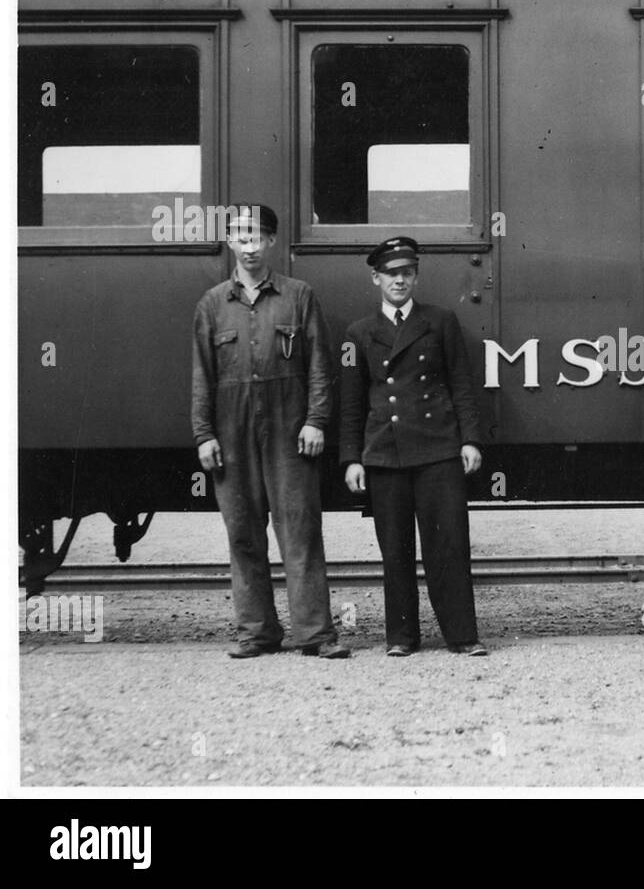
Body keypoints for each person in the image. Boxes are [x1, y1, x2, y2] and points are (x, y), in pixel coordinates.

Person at [192, 203, 349, 659]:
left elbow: (320, 365)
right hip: (231, 429)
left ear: (272, 242)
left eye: (258, 236)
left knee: (299, 530)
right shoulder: (211, 304)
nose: (249, 245)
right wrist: (204, 434)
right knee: (242, 533)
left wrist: (316, 420)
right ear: (229, 241)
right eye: (241, 236)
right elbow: (201, 375)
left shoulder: (299, 296)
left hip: (289, 428)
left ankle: (315, 635)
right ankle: (256, 633)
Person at [339, 237, 487, 658]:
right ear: (376, 279)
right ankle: (401, 637)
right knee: (396, 550)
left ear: (416, 276)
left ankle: (462, 636)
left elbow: (461, 384)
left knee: (449, 546)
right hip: (386, 453)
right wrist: (351, 458)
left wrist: (470, 439)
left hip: (438, 449)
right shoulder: (358, 334)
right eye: (391, 274)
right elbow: (351, 404)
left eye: (406, 273)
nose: (399, 281)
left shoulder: (441, 321)